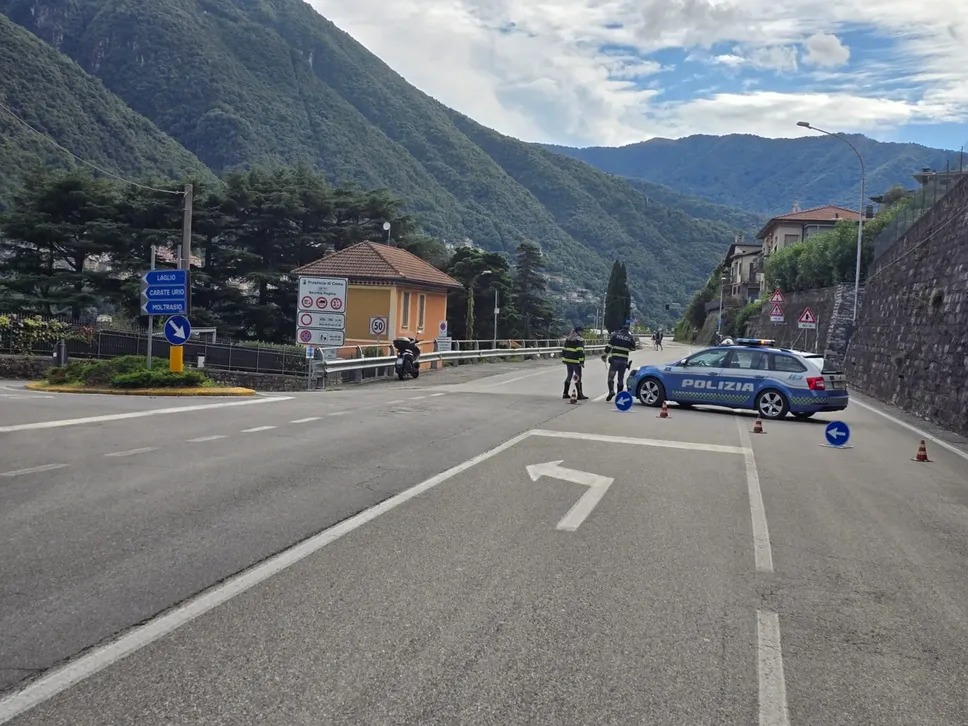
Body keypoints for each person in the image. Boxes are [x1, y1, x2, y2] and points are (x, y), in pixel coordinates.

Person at [603, 319, 637, 402]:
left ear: (621, 329)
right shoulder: (630, 337)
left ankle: (611, 391)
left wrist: (605, 355)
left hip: (615, 360)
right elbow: (633, 348)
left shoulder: (615, 335)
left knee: (611, 376)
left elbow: (609, 346)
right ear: (628, 330)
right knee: (620, 378)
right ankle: (619, 396)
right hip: (624, 361)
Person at [562, 325, 588, 400]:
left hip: (568, 360)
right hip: (576, 361)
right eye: (582, 331)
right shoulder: (580, 340)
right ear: (578, 332)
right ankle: (580, 394)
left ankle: (565, 393)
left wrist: (564, 358)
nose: (582, 333)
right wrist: (581, 361)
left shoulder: (568, 339)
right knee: (578, 377)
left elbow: (564, 350)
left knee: (569, 376)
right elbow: (580, 351)